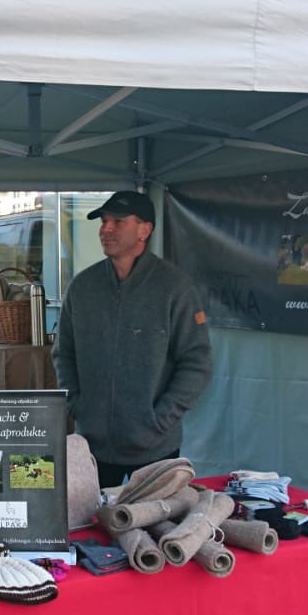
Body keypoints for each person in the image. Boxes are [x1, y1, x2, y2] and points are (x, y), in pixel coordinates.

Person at [52, 190, 212, 489]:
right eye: (103, 221)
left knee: (155, 530)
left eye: (118, 221)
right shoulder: (82, 287)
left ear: (145, 230)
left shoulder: (175, 287)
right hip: (93, 446)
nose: (106, 229)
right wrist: (76, 404)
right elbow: (63, 353)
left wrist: (160, 419)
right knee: (89, 528)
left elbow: (197, 362)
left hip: (155, 447)